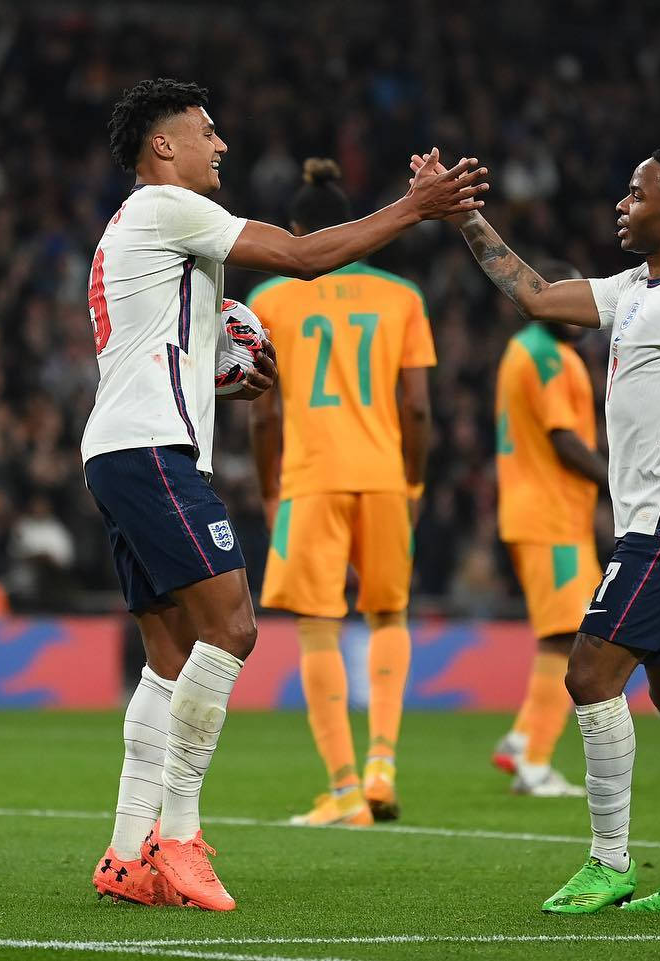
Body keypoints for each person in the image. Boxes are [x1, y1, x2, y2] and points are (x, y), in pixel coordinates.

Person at [84, 79, 486, 911]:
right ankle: (180, 836)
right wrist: (414, 207)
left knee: (168, 659)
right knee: (232, 625)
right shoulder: (166, 209)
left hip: (127, 448)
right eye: (206, 129)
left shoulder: (140, 229)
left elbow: (153, 350)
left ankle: (128, 853)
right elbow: (303, 258)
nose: (221, 142)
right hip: (154, 451)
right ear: (163, 147)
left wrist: (222, 382)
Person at [420, 146, 660, 914]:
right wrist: (462, 214)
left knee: (588, 673)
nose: (622, 202)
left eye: (637, 193)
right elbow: (536, 296)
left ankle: (610, 860)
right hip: (658, 517)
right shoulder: (638, 288)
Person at [247, 158, 435, 827]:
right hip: (384, 475)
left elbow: (262, 412)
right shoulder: (402, 296)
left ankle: (346, 790)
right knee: (389, 617)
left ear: (299, 230)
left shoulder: (270, 299)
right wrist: (411, 481)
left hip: (310, 478)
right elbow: (416, 408)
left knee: (317, 628)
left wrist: (270, 489)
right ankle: (383, 763)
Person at [489, 258, 604, 799]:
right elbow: (563, 439)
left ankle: (521, 740)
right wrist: (619, 482)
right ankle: (535, 762)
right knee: (570, 636)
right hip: (552, 515)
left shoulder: (522, 350)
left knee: (561, 633)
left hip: (534, 510)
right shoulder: (552, 357)